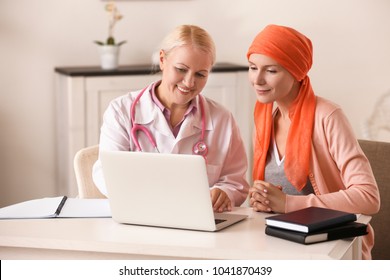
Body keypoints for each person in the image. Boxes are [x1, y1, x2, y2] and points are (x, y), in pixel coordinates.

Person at [246, 24, 380, 259]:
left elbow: (368, 197)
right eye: (253, 67)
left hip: (330, 247)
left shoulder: (328, 116)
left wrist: (288, 203)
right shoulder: (265, 116)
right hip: (278, 243)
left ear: (296, 72)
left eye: (271, 70)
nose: (257, 79)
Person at [92, 24, 249, 212]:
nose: (189, 82)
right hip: (139, 216)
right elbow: (108, 174)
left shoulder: (222, 119)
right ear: (162, 60)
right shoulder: (121, 111)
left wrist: (224, 193)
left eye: (200, 74)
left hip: (198, 223)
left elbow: (236, 183)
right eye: (181, 69)